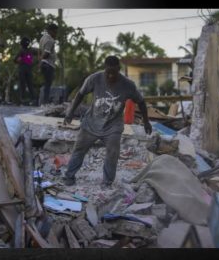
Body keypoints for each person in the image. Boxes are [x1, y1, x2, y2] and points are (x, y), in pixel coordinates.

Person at [62, 56, 153, 189]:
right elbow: (80, 94)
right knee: (79, 149)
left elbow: (141, 102)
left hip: (113, 126)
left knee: (112, 152)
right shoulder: (94, 79)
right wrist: (70, 112)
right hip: (91, 123)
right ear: (105, 69)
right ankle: (69, 176)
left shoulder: (128, 85)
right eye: (108, 73)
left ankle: (107, 182)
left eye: (113, 73)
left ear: (119, 70)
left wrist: (146, 122)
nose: (110, 76)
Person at [38, 23, 58, 105]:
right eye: (55, 32)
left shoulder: (42, 38)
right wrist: (42, 60)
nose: (56, 34)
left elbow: (39, 51)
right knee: (47, 84)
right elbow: (46, 54)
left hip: (44, 64)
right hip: (48, 65)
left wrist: (40, 62)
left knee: (46, 84)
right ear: (51, 31)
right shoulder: (50, 40)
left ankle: (43, 102)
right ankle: (45, 103)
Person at [14, 37, 37, 106]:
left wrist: (20, 60)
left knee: (22, 84)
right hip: (28, 69)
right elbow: (32, 60)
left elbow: (15, 60)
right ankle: (33, 99)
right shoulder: (30, 51)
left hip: (22, 69)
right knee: (29, 85)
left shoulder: (21, 51)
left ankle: (22, 99)